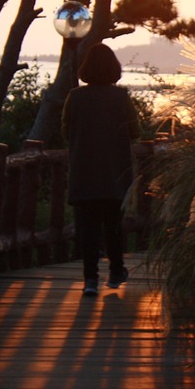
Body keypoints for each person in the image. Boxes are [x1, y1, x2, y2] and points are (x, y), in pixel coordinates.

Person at [62, 42, 141, 296]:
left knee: (88, 228)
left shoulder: (75, 97)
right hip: (115, 172)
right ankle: (116, 272)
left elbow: (66, 130)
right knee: (113, 225)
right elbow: (135, 131)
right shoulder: (121, 97)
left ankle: (90, 281)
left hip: (84, 171)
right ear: (113, 68)